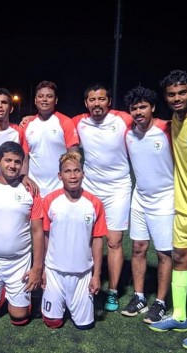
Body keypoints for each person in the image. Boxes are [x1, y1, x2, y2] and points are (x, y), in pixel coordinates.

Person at [72, 83, 133, 312]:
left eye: (101, 99)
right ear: (86, 103)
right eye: (92, 100)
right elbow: (54, 120)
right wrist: (28, 117)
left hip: (118, 187)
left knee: (114, 240)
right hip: (90, 187)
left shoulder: (123, 119)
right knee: (87, 237)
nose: (96, 104)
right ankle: (85, 281)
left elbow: (151, 122)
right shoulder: (79, 122)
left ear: (109, 101)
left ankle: (113, 292)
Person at [0, 141, 44, 326]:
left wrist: (37, 268)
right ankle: (1, 294)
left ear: (22, 164)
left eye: (17, 162)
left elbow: (37, 231)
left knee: (19, 319)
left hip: (19, 262)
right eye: (8, 160)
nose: (12, 165)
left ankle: (16, 297)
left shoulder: (30, 191)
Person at [120, 86, 173, 323]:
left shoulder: (167, 128)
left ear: (152, 107)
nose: (139, 111)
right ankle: (139, 297)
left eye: (143, 106)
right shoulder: (129, 133)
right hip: (139, 198)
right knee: (139, 248)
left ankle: (160, 302)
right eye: (134, 108)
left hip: (165, 199)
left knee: (164, 253)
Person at [41, 151, 106, 330]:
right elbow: (45, 237)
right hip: (55, 272)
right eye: (68, 171)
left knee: (85, 325)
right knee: (52, 323)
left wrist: (96, 275)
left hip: (82, 274)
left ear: (83, 174)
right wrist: (44, 269)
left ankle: (74, 303)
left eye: (77, 171)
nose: (73, 175)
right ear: (60, 175)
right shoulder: (50, 201)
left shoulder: (94, 203)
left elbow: (98, 240)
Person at [149, 70, 187, 349]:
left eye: (182, 92)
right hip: (181, 205)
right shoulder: (174, 121)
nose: (177, 98)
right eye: (172, 94)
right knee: (180, 257)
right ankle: (180, 316)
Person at [20, 80, 79, 198]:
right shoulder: (26, 125)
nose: (44, 100)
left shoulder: (65, 122)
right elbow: (25, 159)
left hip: (60, 189)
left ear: (55, 100)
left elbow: (74, 157)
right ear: (35, 100)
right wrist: (24, 177)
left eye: (49, 96)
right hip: (34, 189)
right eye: (40, 96)